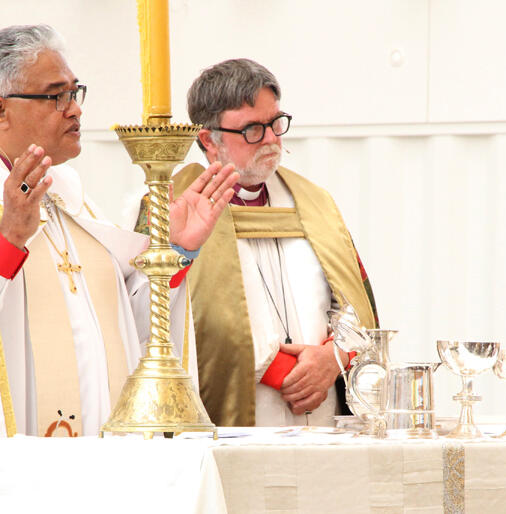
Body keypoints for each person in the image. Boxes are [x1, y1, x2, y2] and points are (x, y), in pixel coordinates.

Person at [0, 25, 238, 512]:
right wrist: (7, 239)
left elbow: (123, 321)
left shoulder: (67, 196)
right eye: (56, 96)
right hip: (8, 485)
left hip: (93, 478)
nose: (75, 108)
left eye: (75, 93)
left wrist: (173, 256)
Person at [152, 58, 379, 427]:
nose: (272, 139)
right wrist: (284, 373)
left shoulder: (314, 202)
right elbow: (156, 313)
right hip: (238, 419)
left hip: (324, 419)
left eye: (275, 123)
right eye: (253, 129)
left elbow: (355, 300)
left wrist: (334, 358)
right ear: (209, 139)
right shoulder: (173, 206)